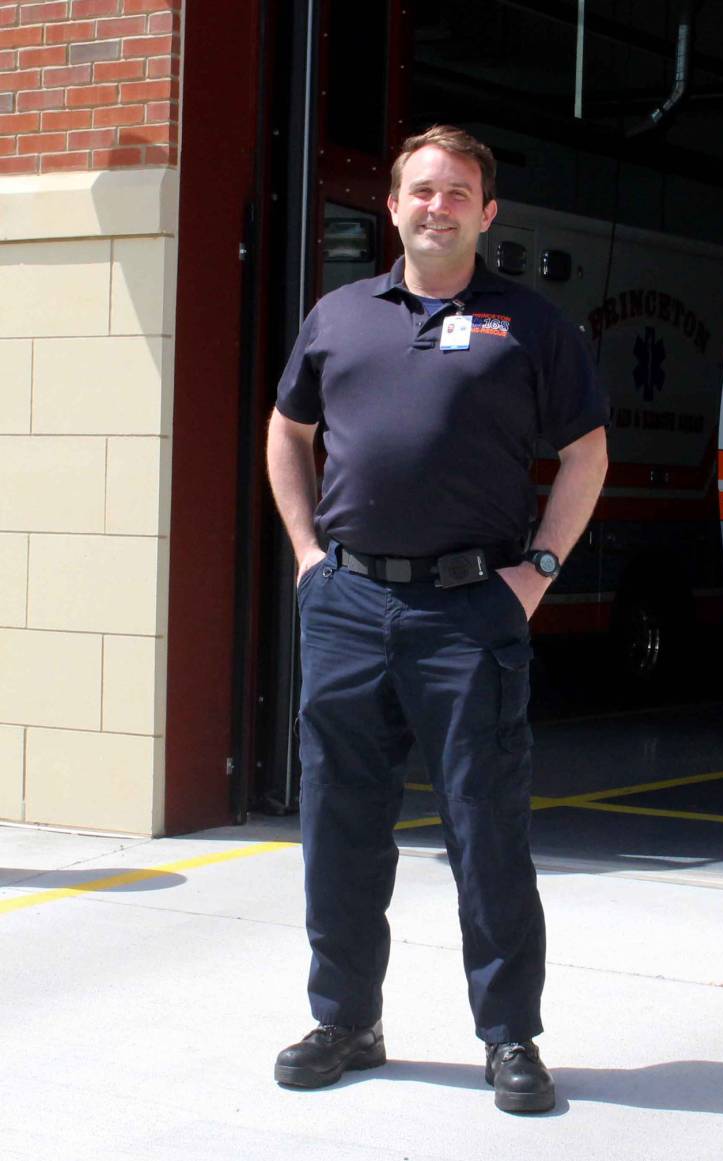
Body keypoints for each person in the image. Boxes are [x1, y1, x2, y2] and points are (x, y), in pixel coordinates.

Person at [265, 124, 608, 1114]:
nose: (437, 206)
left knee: (485, 828)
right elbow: (289, 431)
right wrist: (306, 557)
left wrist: (537, 571)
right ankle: (345, 1019)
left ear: (487, 212)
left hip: (472, 610)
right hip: (349, 604)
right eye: (422, 190)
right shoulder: (339, 316)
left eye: (458, 192)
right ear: (394, 206)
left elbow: (586, 453)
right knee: (340, 825)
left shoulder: (531, 326)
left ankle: (510, 1036)